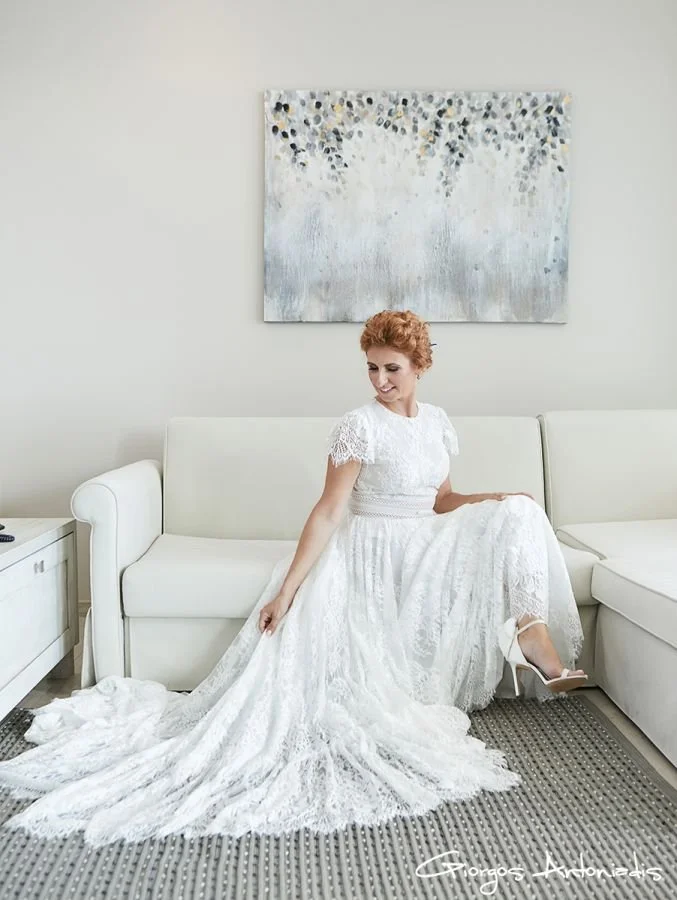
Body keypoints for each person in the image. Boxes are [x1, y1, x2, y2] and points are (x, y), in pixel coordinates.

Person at [0, 309, 586, 848]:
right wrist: (288, 590)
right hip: (373, 548)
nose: (380, 381)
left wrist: (499, 496)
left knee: (520, 510)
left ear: (420, 366)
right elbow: (330, 510)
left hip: (424, 541)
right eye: (372, 369)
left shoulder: (435, 423)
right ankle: (523, 636)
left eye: (393, 369)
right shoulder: (359, 426)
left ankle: (530, 630)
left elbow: (442, 501)